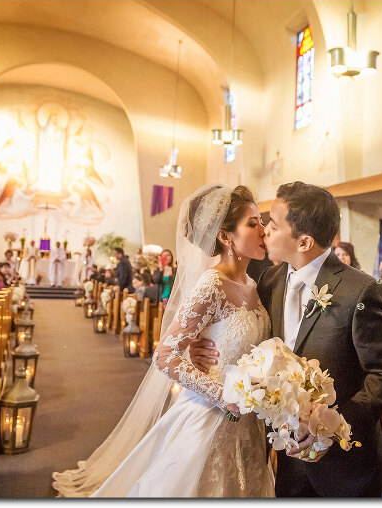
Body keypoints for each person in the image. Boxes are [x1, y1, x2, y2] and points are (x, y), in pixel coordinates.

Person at [52, 184, 274, 497]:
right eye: (253, 223)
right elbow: (166, 355)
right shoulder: (212, 283)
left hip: (249, 423)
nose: (263, 230)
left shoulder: (252, 285)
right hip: (212, 416)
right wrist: (223, 395)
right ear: (226, 236)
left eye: (261, 222)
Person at [191, 181, 382, 497]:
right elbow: (250, 338)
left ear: (304, 241)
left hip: (346, 464)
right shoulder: (270, 281)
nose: (263, 231)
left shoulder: (359, 290)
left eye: (273, 226)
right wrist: (203, 346)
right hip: (288, 460)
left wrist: (332, 425)